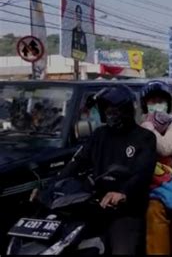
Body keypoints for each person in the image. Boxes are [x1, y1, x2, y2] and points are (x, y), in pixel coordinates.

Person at [45, 85, 157, 255]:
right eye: (106, 109)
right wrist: (50, 187)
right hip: (94, 204)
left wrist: (123, 193)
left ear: (126, 110)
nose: (109, 113)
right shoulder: (99, 135)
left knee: (122, 251)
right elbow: (77, 162)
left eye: (114, 109)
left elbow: (143, 172)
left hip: (125, 210)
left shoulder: (144, 137)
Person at [139, 81, 172, 255]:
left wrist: (150, 127)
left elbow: (166, 148)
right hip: (138, 178)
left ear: (167, 103)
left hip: (163, 182)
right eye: (152, 101)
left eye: (160, 100)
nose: (156, 105)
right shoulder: (140, 122)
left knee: (154, 210)